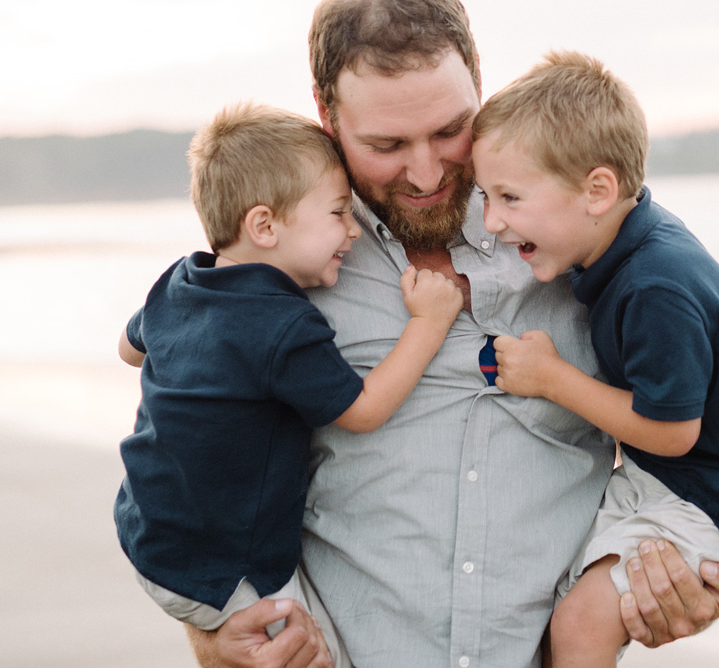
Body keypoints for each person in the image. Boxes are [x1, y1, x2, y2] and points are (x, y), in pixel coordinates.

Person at [188, 0, 719, 668]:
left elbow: (699, 439)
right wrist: (213, 630)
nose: (425, 173)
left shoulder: (583, 236)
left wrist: (673, 576)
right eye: (387, 146)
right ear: (327, 116)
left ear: (480, 80)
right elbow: (190, 450)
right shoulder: (283, 262)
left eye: (451, 130)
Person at [472, 51, 719, 668]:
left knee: (582, 621)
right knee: (552, 586)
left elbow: (671, 431)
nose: (493, 221)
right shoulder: (622, 240)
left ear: (596, 191)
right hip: (681, 474)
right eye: (485, 196)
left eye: (509, 197)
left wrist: (553, 379)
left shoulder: (656, 285)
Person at [115, 103, 463, 668]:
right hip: (230, 570)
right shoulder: (282, 326)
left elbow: (130, 348)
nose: (352, 230)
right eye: (336, 213)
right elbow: (364, 409)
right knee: (309, 655)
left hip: (149, 536)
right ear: (265, 226)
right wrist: (428, 324)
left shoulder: (180, 280)